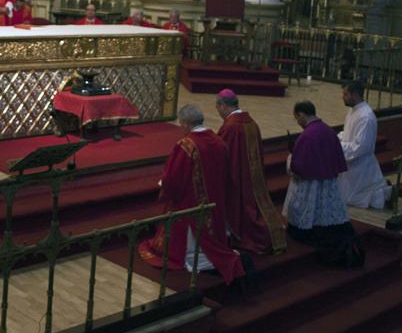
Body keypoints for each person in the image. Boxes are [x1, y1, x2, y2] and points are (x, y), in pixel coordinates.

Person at [138, 105, 245, 284]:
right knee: (211, 235)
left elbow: (174, 177)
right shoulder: (219, 141)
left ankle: (196, 260)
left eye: (181, 124)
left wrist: (164, 185)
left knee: (192, 240)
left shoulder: (186, 145)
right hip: (214, 200)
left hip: (190, 202)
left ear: (186, 123)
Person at [284, 101, 362, 266]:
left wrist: (291, 159)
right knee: (325, 210)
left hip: (310, 184)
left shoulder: (307, 136)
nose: (297, 122)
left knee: (309, 209)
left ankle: (307, 230)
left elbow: (297, 167)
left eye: (297, 118)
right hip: (328, 182)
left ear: (302, 114)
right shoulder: (328, 131)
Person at [215, 89, 286, 254]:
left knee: (241, 206)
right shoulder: (251, 122)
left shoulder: (231, 126)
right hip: (253, 175)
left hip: (238, 175)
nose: (218, 112)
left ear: (223, 106)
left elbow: (222, 154)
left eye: (217, 108)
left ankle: (246, 235)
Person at [338, 80, 390, 209]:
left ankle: (385, 193)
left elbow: (361, 146)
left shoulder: (365, 116)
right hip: (350, 162)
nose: (342, 97)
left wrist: (338, 147)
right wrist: (336, 138)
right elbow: (348, 133)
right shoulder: (353, 111)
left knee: (352, 197)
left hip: (360, 164)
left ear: (354, 95)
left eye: (345, 94)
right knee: (343, 196)